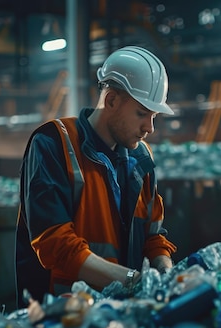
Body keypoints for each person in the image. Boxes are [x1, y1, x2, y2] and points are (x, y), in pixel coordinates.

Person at [15, 46, 177, 308]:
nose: (149, 127)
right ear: (111, 100)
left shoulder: (141, 157)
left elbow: (153, 237)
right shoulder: (54, 143)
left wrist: (166, 274)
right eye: (142, 114)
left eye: (154, 116)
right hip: (62, 319)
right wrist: (134, 283)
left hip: (119, 318)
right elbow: (55, 244)